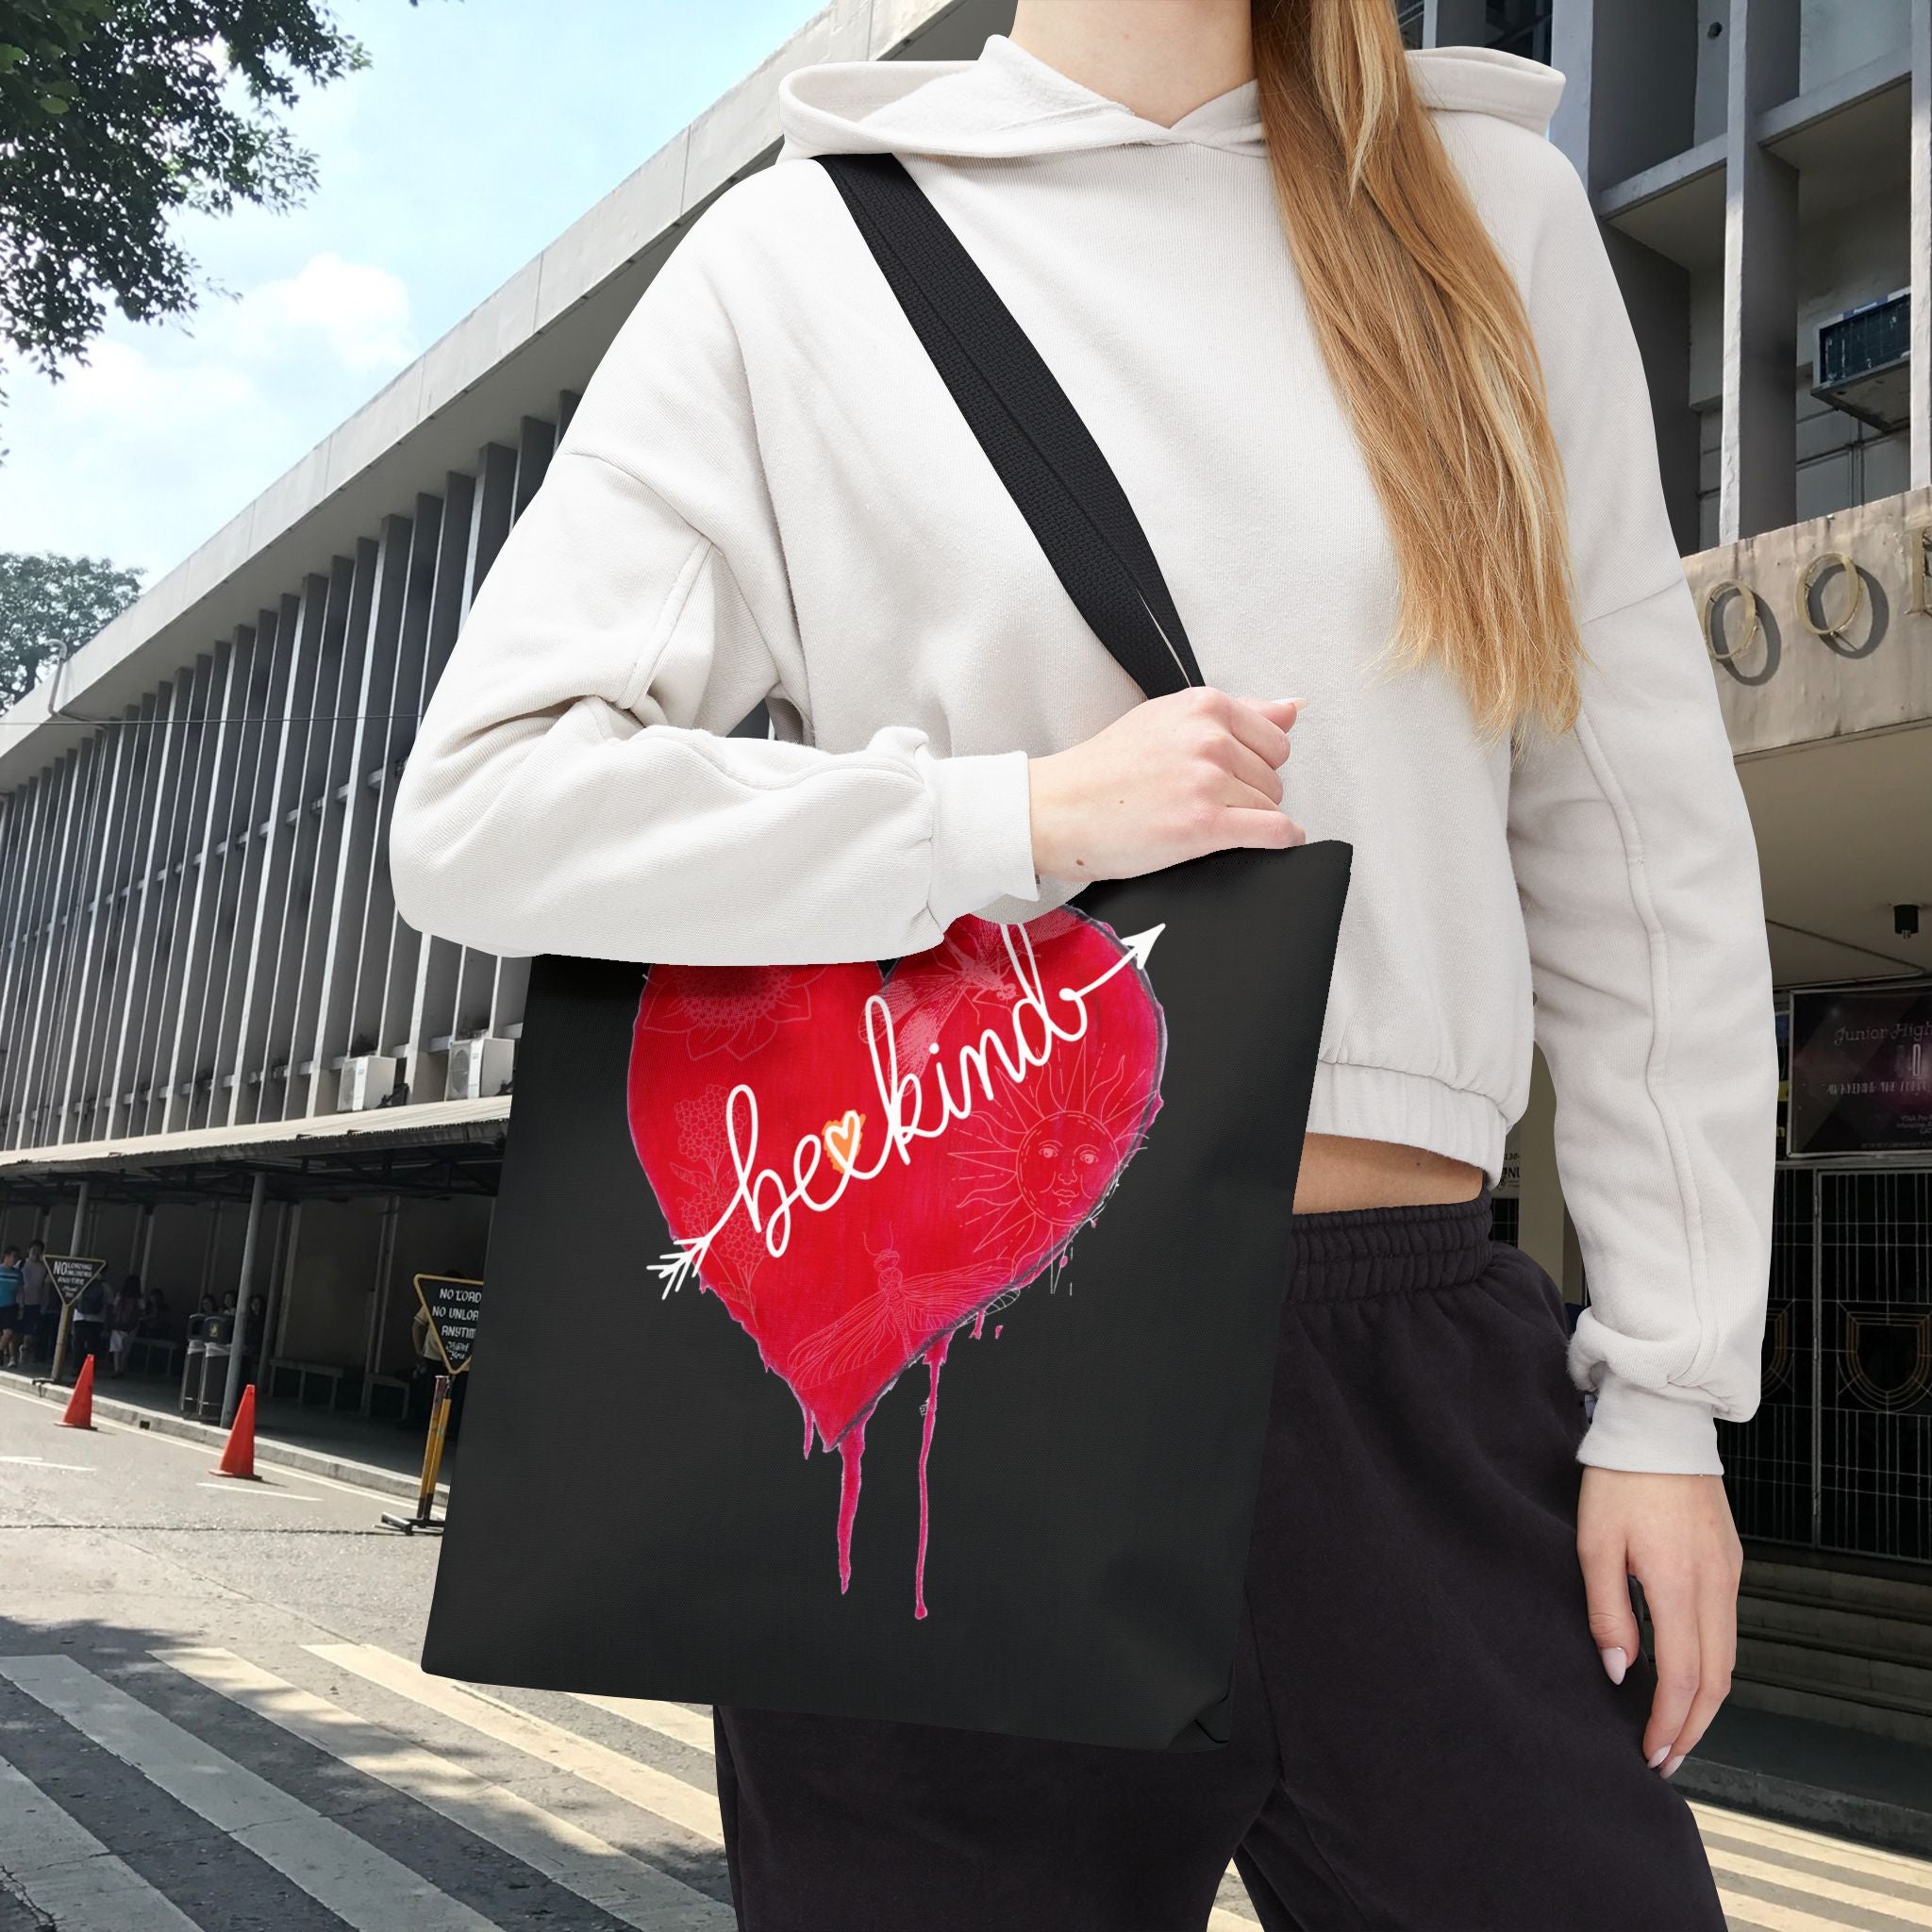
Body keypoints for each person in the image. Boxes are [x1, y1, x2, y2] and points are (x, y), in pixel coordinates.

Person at [385, 5, 1776, 1925]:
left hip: (1404, 1360)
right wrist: (1016, 819)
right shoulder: (804, 251)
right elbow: (483, 807)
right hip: (960, 1387)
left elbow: (1637, 850)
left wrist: (1666, 1400)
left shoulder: (1481, 211)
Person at [18, 1241, 51, 1369]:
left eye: (38, 1252)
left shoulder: (44, 1268)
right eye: (33, 1251)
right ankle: (13, 1354)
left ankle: (24, 1349)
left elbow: (45, 1287)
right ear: (28, 1251)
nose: (35, 1254)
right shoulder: (21, 1264)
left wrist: (44, 1304)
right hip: (20, 1302)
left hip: (36, 1303)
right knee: (16, 1331)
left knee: (30, 1332)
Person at [106, 1274, 142, 1378]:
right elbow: (142, 1311)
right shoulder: (138, 1298)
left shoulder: (120, 1295)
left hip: (118, 1325)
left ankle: (116, 1369)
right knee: (126, 1349)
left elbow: (113, 1308)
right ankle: (122, 1368)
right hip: (131, 1326)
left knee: (116, 1348)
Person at [0, 1247, 22, 1372]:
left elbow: (20, 1291)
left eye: (17, 1257)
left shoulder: (18, 1273)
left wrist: (22, 1306)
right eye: (14, 1256)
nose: (15, 1260)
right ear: (6, 1256)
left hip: (11, 1306)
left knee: (8, 1332)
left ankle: (1, 1351)